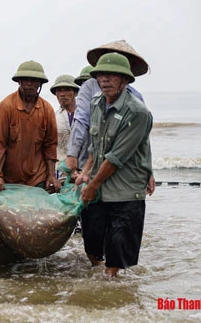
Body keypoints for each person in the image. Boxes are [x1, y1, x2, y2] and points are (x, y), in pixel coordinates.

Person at [77, 52, 153, 278]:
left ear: (125, 80)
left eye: (112, 75)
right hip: (99, 187)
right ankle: (103, 283)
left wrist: (92, 185)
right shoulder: (96, 103)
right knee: (91, 243)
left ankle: (113, 288)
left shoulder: (137, 112)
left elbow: (116, 157)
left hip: (126, 191)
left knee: (117, 251)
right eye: (101, 75)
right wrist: (85, 172)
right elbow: (95, 143)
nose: (105, 80)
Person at [66, 40, 155, 194]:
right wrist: (72, 155)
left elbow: (142, 140)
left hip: (123, 172)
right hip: (92, 163)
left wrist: (149, 172)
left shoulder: (137, 101)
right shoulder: (91, 90)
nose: (107, 78)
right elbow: (81, 122)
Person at [0, 60, 61, 193]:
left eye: (34, 80)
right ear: (19, 82)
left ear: (40, 83)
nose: (29, 84)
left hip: (38, 177)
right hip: (10, 179)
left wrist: (52, 175)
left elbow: (50, 146)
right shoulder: (7, 106)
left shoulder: (47, 109)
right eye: (25, 80)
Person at [49, 74, 81, 179]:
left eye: (67, 90)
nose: (62, 94)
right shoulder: (53, 117)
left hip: (83, 171)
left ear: (75, 93)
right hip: (60, 172)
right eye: (59, 91)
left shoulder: (85, 116)